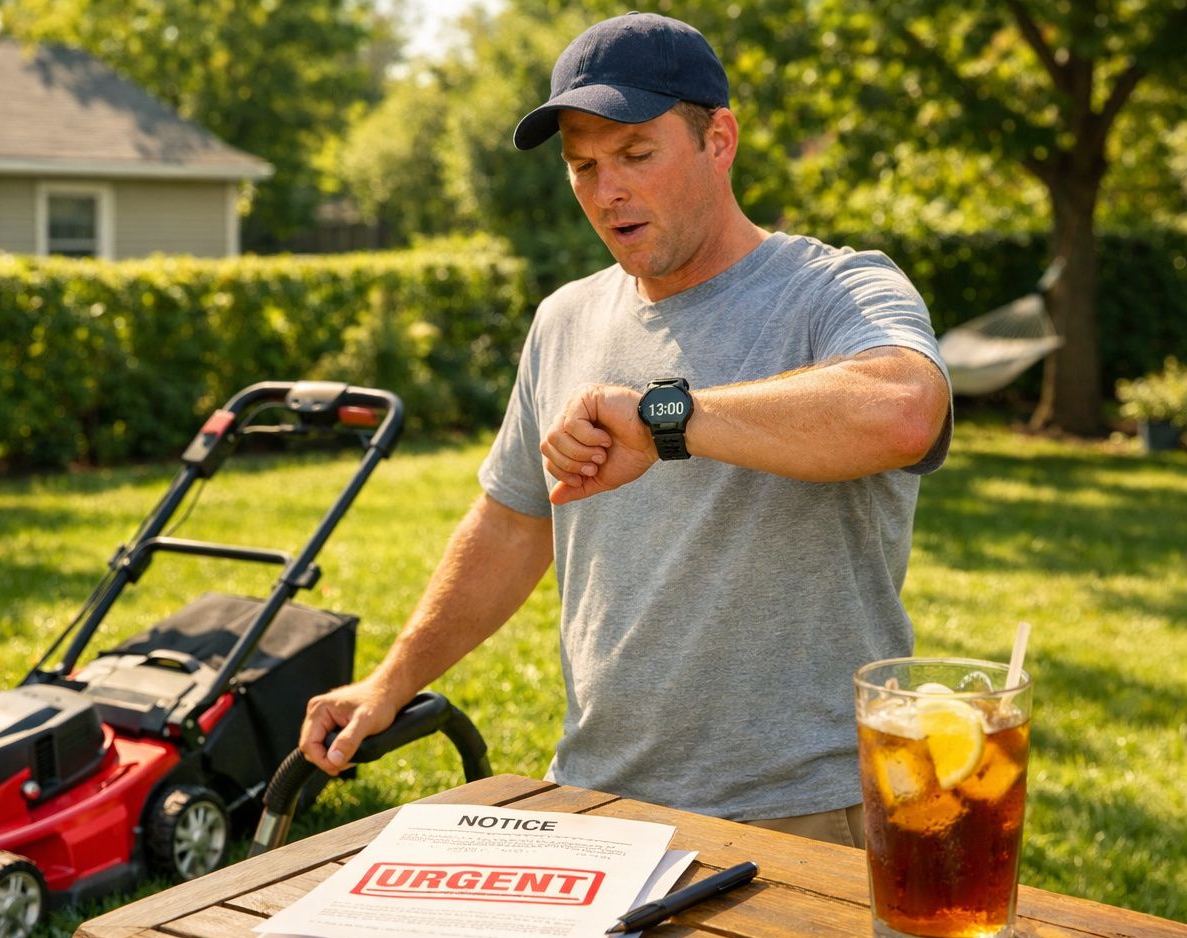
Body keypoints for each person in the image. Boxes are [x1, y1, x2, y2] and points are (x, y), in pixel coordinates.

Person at [298, 12, 951, 847]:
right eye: (583, 165)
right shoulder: (565, 317)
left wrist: (662, 419)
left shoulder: (832, 290)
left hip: (808, 805)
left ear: (719, 139)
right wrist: (391, 682)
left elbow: (902, 410)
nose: (607, 192)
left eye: (637, 154)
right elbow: (513, 521)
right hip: (599, 797)